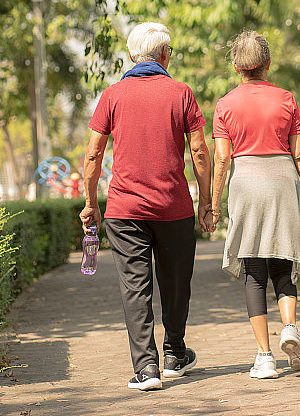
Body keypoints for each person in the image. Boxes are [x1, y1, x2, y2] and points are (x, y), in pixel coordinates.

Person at [80, 22, 214, 391]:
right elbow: (200, 151)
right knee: (175, 282)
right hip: (174, 207)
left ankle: (147, 369)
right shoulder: (181, 92)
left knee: (135, 288)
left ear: (130, 57)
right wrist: (206, 201)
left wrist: (91, 203)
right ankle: (174, 354)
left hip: (124, 211)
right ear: (165, 55)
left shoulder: (112, 95)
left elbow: (93, 154)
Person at [211, 30, 300, 379]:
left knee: (254, 270)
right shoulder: (286, 98)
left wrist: (213, 205)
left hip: (245, 182)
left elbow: (221, 160)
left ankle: (264, 357)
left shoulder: (225, 104)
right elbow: (299, 153)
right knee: (283, 259)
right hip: (283, 180)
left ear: (236, 66)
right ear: (268, 63)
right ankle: (289, 328)